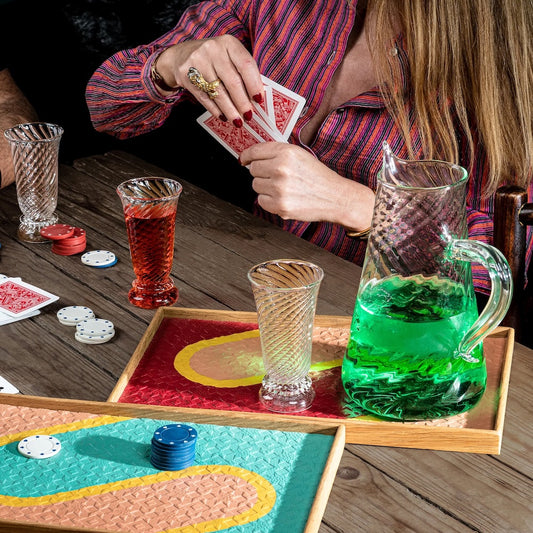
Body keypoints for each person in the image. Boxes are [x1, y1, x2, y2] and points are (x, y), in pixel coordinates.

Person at [86, 0, 533, 293]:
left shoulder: (510, 65)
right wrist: (173, 62)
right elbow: (106, 109)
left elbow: (514, 261)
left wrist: (359, 206)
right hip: (257, 283)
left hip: (399, 333)